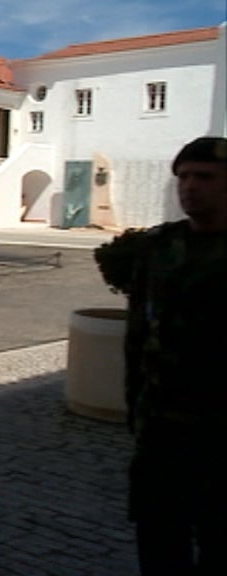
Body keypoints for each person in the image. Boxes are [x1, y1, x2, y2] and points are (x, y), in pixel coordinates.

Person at [125, 136, 227, 575]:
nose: (189, 186)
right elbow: (135, 333)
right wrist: (134, 404)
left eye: (204, 176)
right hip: (161, 428)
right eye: (183, 177)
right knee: (159, 539)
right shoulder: (159, 248)